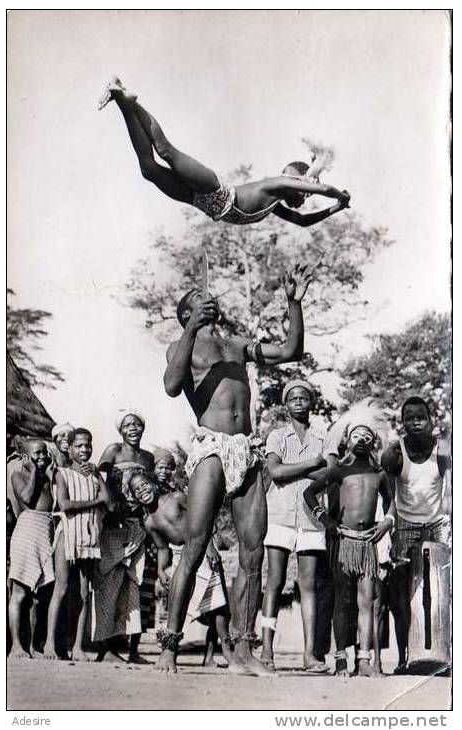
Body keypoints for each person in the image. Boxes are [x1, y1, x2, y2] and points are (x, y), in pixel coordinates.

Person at [157, 264, 312, 675]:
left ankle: (243, 650)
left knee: (253, 550)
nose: (207, 299)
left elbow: (290, 352)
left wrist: (294, 304)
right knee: (194, 546)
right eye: (195, 299)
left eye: (206, 297)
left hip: (246, 448)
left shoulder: (236, 344)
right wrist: (191, 328)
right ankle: (169, 646)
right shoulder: (182, 347)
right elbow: (172, 386)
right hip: (211, 447)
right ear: (185, 313)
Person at [98, 77, 350, 228]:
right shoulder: (277, 184)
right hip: (213, 189)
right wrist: (340, 196)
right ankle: (132, 101)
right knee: (165, 150)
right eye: (303, 194)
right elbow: (326, 190)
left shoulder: (274, 205)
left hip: (197, 200)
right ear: (300, 185)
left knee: (148, 169)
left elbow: (302, 221)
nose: (302, 201)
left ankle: (123, 101)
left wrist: (338, 208)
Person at [304, 420, 396, 677]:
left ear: (374, 441)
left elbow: (391, 504)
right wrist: (327, 520)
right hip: (344, 541)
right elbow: (309, 494)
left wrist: (387, 522)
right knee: (343, 602)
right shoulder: (338, 471)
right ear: (347, 440)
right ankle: (342, 659)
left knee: (366, 601)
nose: (362, 439)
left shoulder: (379, 474)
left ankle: (363, 660)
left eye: (367, 435)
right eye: (357, 435)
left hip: (367, 543)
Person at [260, 379, 338, 673]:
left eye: (303, 397)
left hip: (311, 516)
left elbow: (330, 472)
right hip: (279, 513)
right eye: (292, 397)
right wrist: (312, 463)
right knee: (275, 581)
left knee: (308, 585)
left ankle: (310, 655)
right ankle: (267, 651)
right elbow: (275, 471)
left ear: (311, 402)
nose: (298, 401)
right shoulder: (277, 436)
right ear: (285, 404)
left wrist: (309, 465)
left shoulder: (325, 436)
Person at [129, 470, 233, 668]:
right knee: (185, 605)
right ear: (134, 497)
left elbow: (203, 516)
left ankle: (225, 652)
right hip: (180, 557)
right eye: (136, 490)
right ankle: (174, 651)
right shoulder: (149, 521)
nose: (142, 491)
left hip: (201, 548)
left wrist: (209, 545)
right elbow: (162, 547)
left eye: (144, 485)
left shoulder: (175, 498)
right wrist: (161, 569)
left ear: (154, 483)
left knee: (218, 604)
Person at [381, 396, 451, 674]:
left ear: (431, 419)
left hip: (438, 522)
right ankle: (404, 656)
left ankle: (445, 654)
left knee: (444, 588)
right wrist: (389, 519)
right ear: (403, 422)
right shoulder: (394, 453)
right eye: (409, 418)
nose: (415, 422)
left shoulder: (444, 451)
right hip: (406, 523)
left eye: (420, 416)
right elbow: (387, 492)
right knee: (399, 591)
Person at [44, 428, 113, 661]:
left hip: (89, 535)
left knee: (83, 593)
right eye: (79, 446)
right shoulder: (61, 473)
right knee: (61, 588)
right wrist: (96, 501)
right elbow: (64, 505)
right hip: (68, 534)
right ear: (70, 449)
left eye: (88, 445)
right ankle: (50, 645)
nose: (85, 450)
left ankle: (77, 647)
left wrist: (99, 477)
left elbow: (110, 504)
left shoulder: (94, 475)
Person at [95, 409, 156, 662]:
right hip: (114, 524)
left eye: (137, 424)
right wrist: (110, 506)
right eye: (128, 425)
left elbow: (152, 489)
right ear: (120, 430)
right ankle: (105, 649)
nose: (133, 428)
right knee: (110, 584)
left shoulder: (148, 457)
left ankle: (133, 650)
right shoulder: (113, 450)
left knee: (136, 585)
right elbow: (97, 477)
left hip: (139, 525)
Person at [8, 440, 54, 660]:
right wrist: (34, 470)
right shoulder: (18, 475)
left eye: (45, 451)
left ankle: (35, 645)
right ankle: (17, 645)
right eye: (37, 453)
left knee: (40, 594)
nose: (43, 456)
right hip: (27, 530)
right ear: (24, 456)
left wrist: (45, 472)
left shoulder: (49, 476)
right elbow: (26, 498)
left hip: (46, 531)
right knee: (20, 592)